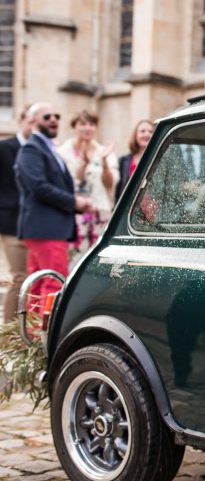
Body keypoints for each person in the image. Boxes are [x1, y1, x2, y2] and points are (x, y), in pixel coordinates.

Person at [14, 103, 92, 309]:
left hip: (47, 228)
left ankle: (33, 335)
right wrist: (74, 202)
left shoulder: (47, 148)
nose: (53, 120)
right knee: (53, 284)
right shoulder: (32, 148)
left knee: (39, 286)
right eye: (47, 116)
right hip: (46, 228)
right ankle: (45, 336)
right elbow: (38, 186)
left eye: (56, 116)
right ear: (31, 121)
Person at [57, 110, 119, 261]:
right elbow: (66, 184)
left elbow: (110, 184)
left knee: (98, 258)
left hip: (100, 214)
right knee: (74, 259)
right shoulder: (62, 153)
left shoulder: (103, 152)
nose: (87, 128)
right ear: (74, 127)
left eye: (91, 124)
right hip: (75, 215)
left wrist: (104, 163)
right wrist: (83, 165)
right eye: (82, 124)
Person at [0, 106, 32, 322]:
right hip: (11, 221)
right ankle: (8, 332)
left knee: (33, 278)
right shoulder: (5, 148)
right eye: (30, 120)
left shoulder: (43, 150)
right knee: (19, 277)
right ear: (20, 121)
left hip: (36, 224)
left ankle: (26, 328)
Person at [115, 119, 154, 198]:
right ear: (135, 135)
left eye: (151, 132)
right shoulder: (123, 161)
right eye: (142, 131)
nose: (147, 134)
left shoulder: (159, 158)